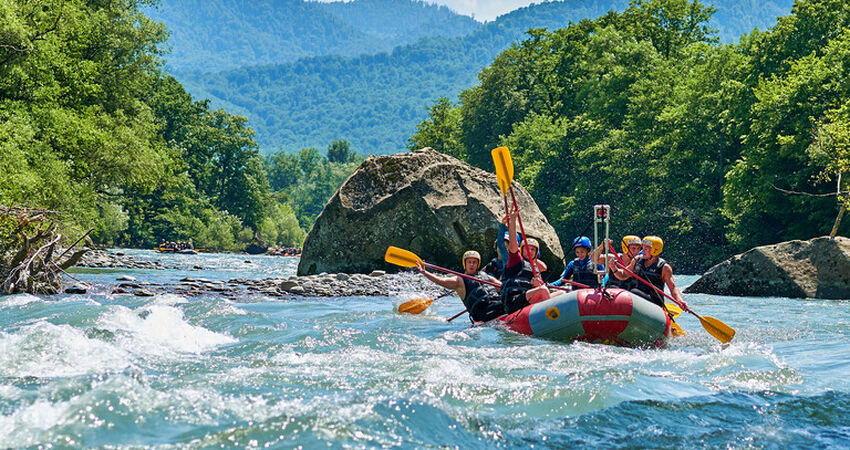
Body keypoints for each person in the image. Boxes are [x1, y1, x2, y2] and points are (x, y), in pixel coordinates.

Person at [415, 250, 504, 322]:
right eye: (469, 262)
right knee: (505, 306)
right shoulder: (459, 280)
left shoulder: (485, 276)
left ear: (478, 264)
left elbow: (502, 287)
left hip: (496, 305)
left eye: (474, 262)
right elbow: (441, 280)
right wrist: (424, 272)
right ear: (465, 264)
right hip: (482, 313)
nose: (472, 264)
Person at [501, 205, 551, 315]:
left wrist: (537, 284)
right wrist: (513, 220)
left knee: (560, 292)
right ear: (522, 250)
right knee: (543, 290)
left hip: (528, 301)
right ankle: (552, 317)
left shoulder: (536, 269)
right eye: (528, 249)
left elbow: (542, 284)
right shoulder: (516, 260)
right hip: (514, 300)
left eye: (533, 249)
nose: (530, 252)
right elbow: (513, 246)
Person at [617, 236, 687, 309]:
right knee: (627, 290)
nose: (642, 251)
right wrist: (614, 268)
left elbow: (673, 287)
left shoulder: (664, 267)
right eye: (643, 248)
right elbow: (623, 275)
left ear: (654, 250)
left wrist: (680, 300)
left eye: (646, 249)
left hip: (654, 303)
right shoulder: (637, 260)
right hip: (636, 299)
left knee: (634, 292)